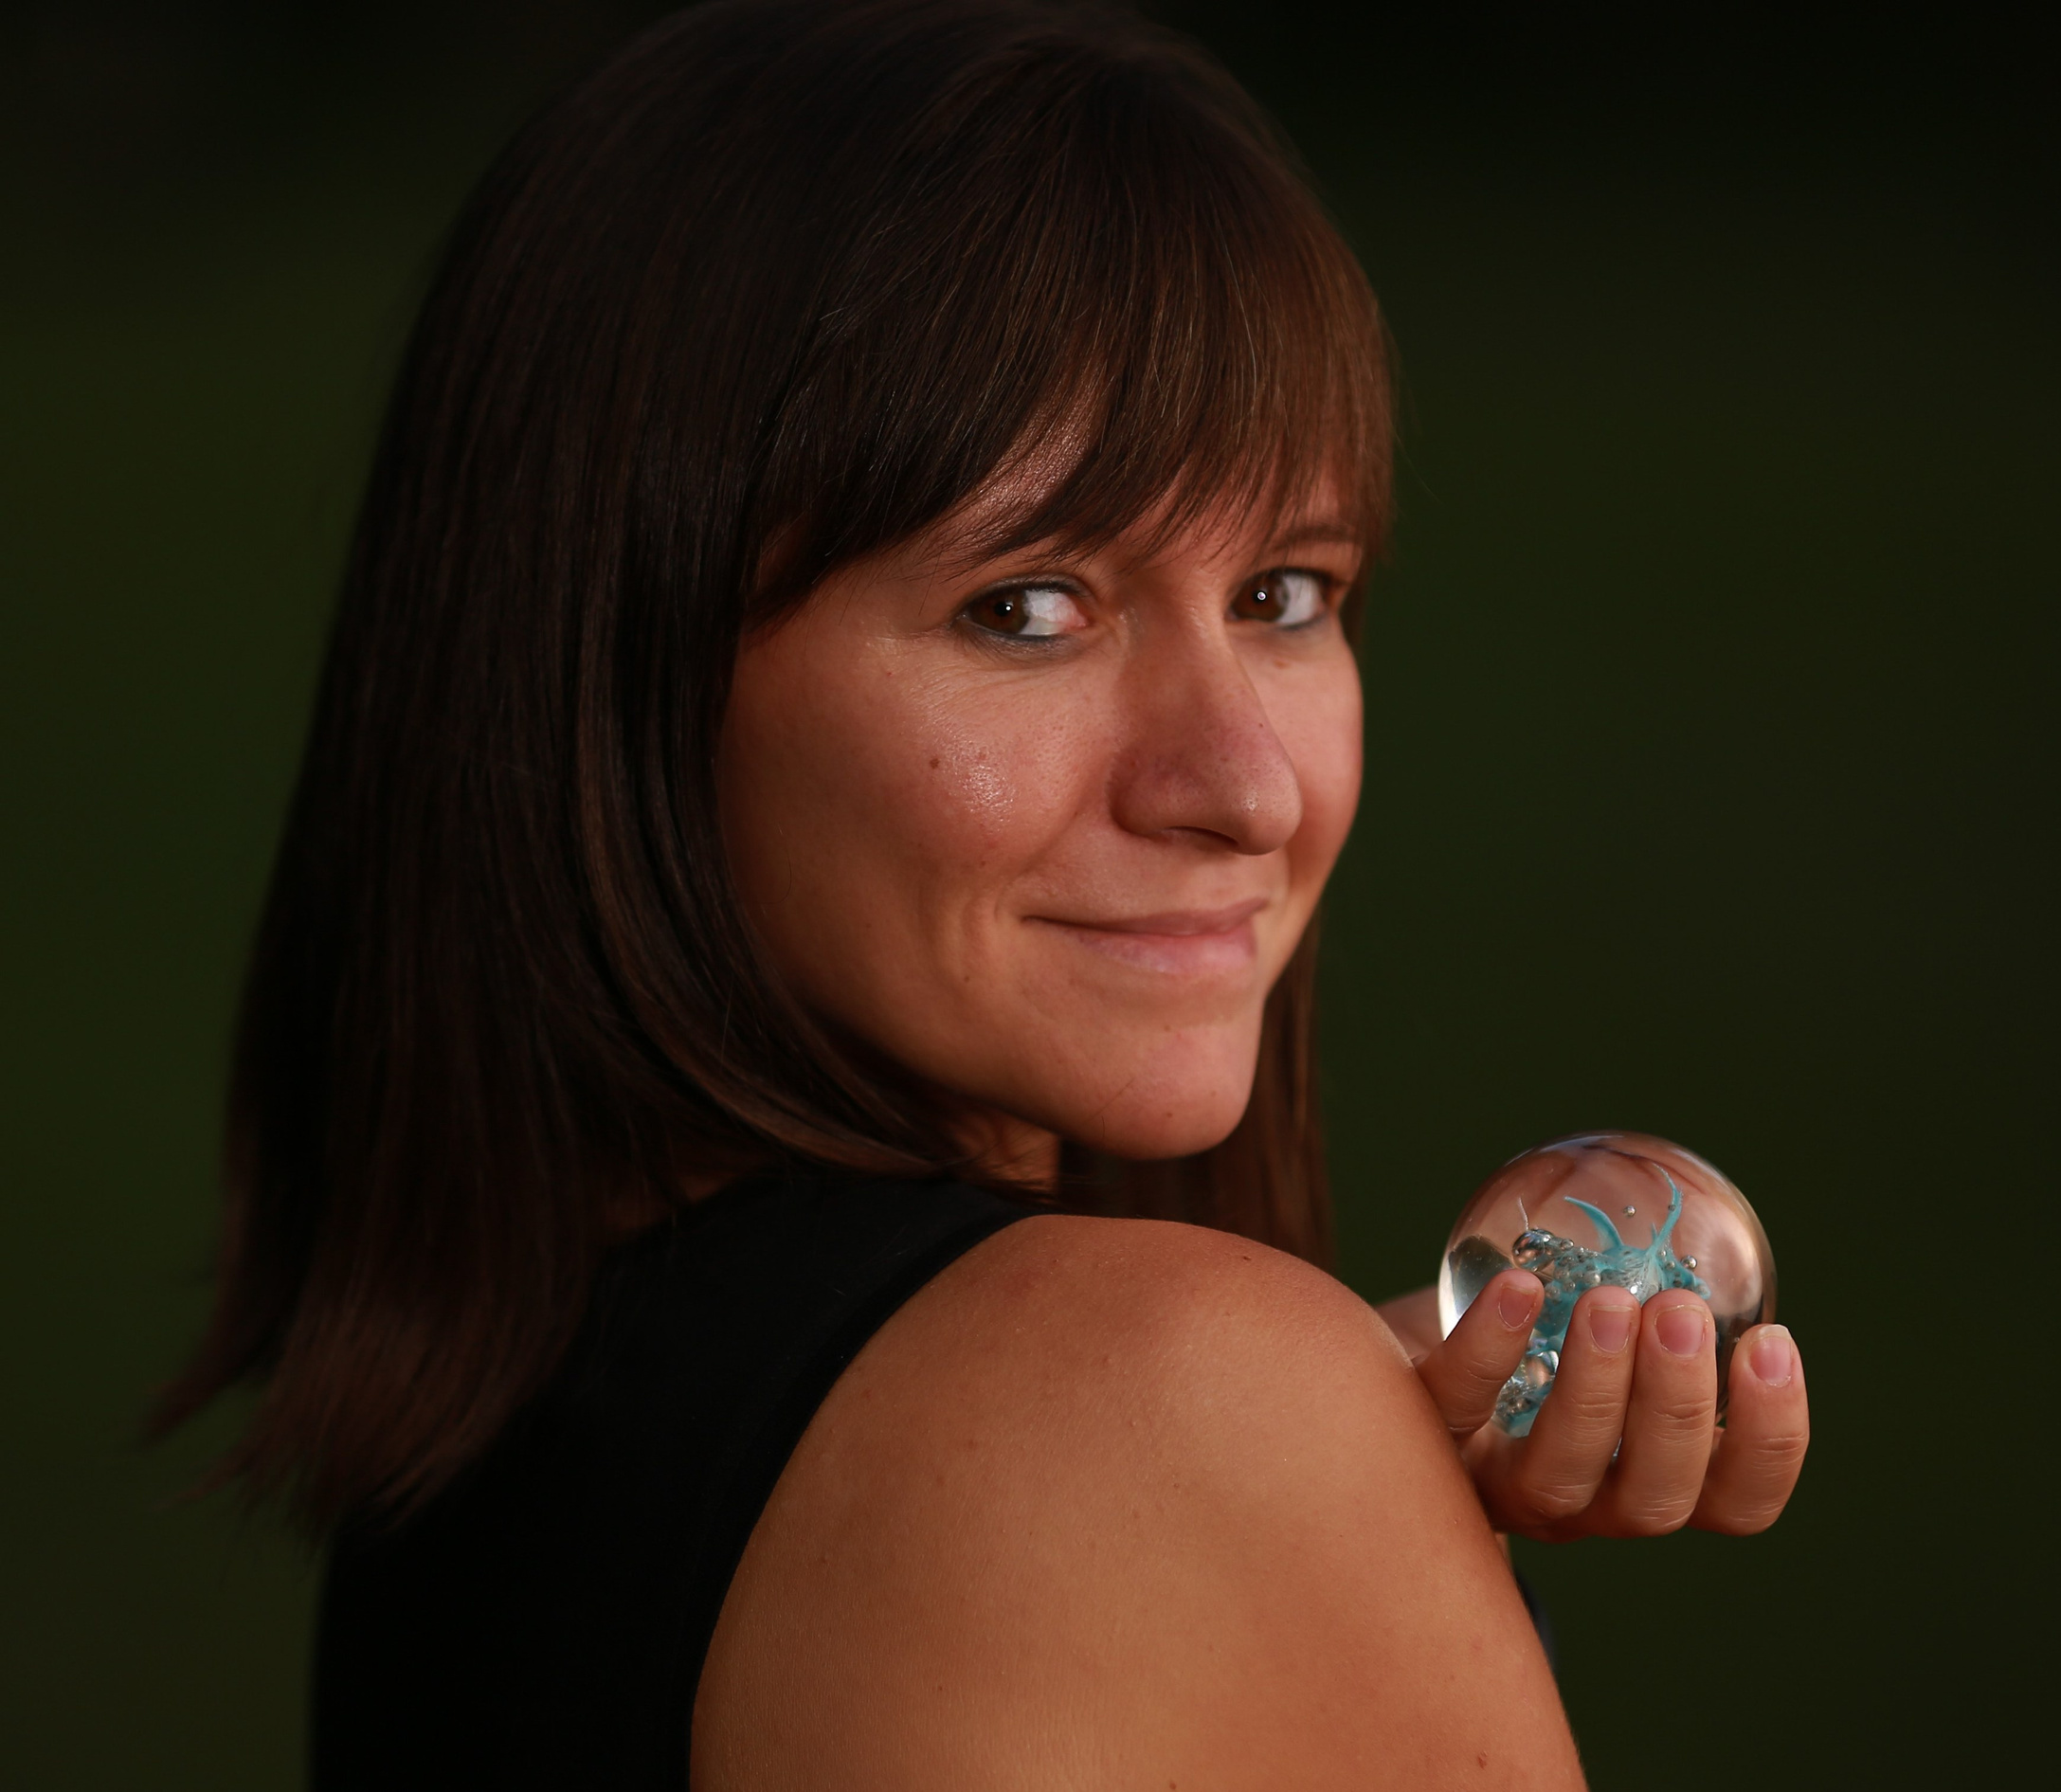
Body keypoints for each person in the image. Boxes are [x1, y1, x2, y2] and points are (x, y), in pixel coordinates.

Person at [156, 2, 1810, 1784]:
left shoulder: (482, 1462)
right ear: (616, 677)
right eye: (1024, 609)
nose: (1244, 787)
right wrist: (1286, 1471)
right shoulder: (1153, 1410)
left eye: (1285, 595)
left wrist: (1371, 1495)